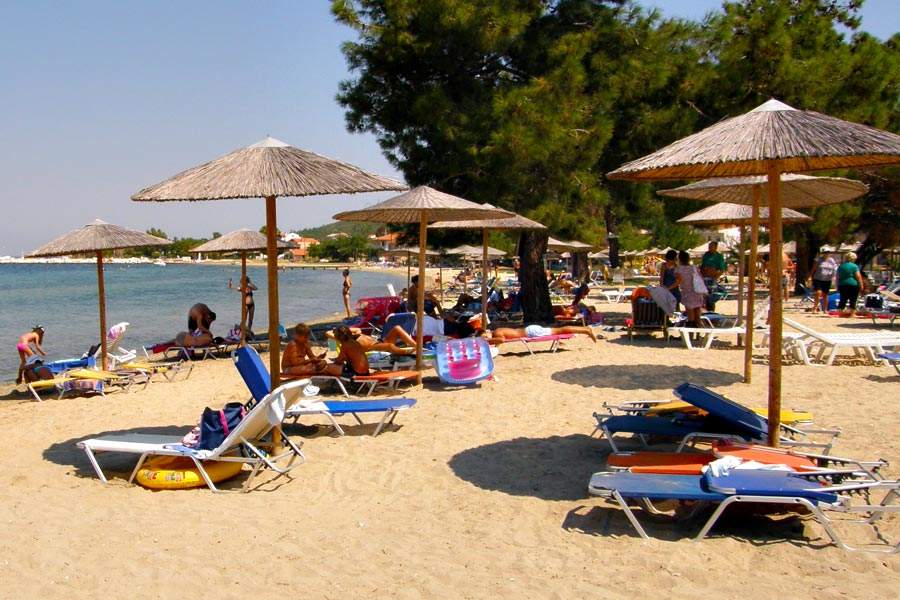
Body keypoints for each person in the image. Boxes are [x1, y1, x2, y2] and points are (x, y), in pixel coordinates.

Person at [675, 250, 704, 327]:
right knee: (697, 315)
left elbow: (678, 281)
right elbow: (701, 278)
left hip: (687, 292)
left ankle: (691, 331)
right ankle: (699, 331)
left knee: (690, 315)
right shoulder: (694, 268)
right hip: (697, 291)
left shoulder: (678, 269)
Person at [486, 324, 597, 343]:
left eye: (485, 336)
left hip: (530, 332)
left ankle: (586, 330)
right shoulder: (498, 330)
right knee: (559, 330)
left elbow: (501, 340)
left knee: (561, 330)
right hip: (530, 330)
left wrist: (487, 341)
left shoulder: (496, 333)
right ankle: (585, 330)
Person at [700, 241, 726, 311]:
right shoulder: (706, 255)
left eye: (711, 247)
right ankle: (706, 310)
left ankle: (711, 311)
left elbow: (722, 269)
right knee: (704, 296)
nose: (709, 248)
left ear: (715, 247)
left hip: (713, 278)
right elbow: (702, 266)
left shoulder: (719, 256)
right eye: (709, 247)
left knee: (711, 297)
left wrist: (715, 277)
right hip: (705, 277)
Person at [836, 252, 865, 316]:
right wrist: (861, 285)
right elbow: (858, 276)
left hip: (842, 284)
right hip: (853, 284)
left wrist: (837, 286)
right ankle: (852, 313)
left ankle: (841, 313)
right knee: (853, 299)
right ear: (853, 259)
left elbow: (837, 277)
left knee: (843, 299)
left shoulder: (841, 266)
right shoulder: (854, 266)